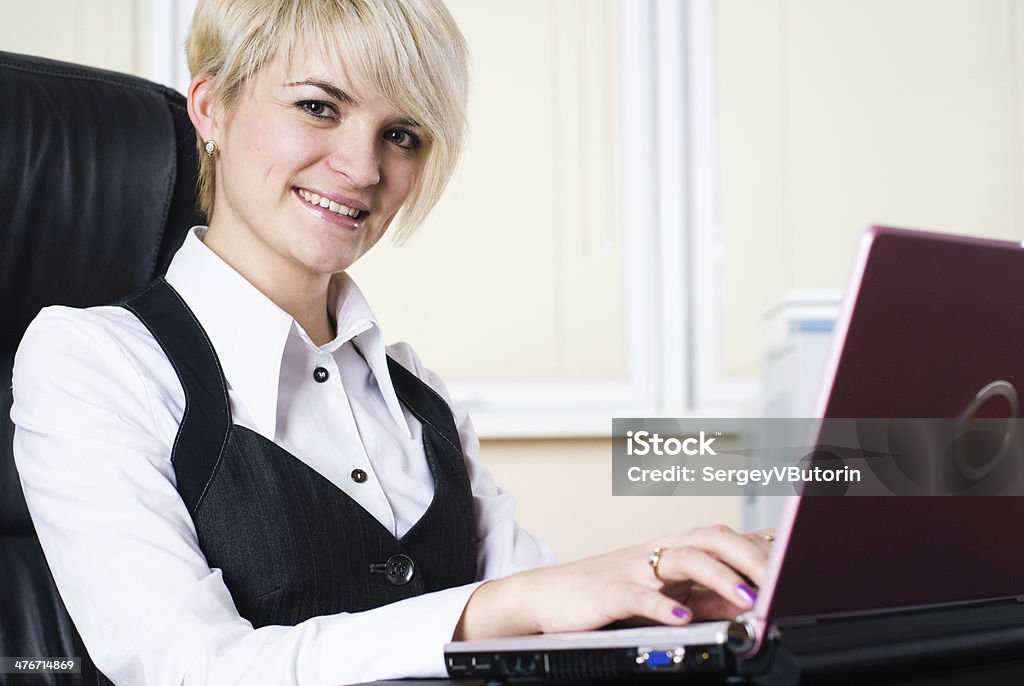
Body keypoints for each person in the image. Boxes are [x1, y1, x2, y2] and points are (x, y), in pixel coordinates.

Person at [10, 1, 771, 684]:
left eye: (399, 134)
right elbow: (190, 668)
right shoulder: (92, 361)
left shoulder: (415, 393)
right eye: (317, 107)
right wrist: (500, 608)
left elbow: (539, 606)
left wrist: (667, 592)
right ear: (210, 108)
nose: (363, 168)